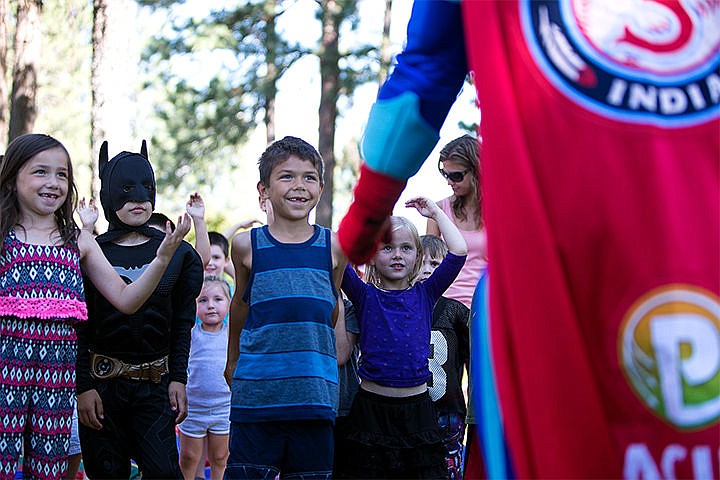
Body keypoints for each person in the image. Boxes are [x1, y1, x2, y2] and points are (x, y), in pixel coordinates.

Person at [337, 2, 719, 478]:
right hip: (582, 257)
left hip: (561, 264)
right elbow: (426, 69)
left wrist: (366, 216)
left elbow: (424, 74)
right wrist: (367, 215)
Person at [0, 133, 190, 479]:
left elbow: (127, 299)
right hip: (4, 379)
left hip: (55, 387)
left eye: (61, 174)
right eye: (40, 172)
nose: (53, 182)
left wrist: (161, 259)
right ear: (13, 179)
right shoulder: (2, 238)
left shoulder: (80, 242)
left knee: (48, 471)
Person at [76, 140, 203, 479]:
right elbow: (78, 326)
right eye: (126, 189)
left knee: (164, 472)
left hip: (156, 387)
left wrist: (178, 378)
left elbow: (182, 322)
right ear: (109, 194)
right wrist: (83, 386)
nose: (138, 197)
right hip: (101, 391)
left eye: (146, 188)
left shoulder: (178, 253)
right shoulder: (89, 252)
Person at [224, 136, 347, 479]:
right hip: (256, 399)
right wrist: (231, 360)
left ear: (321, 188)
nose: (299, 186)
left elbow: (330, 306)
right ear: (263, 190)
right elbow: (240, 307)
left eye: (309, 177)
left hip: (314, 397)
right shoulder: (246, 246)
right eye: (287, 176)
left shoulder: (334, 247)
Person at [336, 197, 467, 479]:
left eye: (406, 248)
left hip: (418, 411)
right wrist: (367, 216)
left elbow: (458, 252)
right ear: (370, 255)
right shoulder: (363, 295)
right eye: (387, 248)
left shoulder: (427, 293)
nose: (397, 254)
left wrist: (435, 212)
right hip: (371, 411)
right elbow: (338, 250)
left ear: (417, 257)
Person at [416, 235, 470, 480]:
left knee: (448, 470)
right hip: (411, 409)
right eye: (421, 262)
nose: (427, 270)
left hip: (448, 411)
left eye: (435, 264)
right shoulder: (400, 306)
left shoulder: (456, 311)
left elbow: (474, 362)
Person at [178, 275, 232, 480]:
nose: (211, 306)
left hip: (223, 407)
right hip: (194, 407)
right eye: (203, 300)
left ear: (229, 302)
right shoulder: (190, 334)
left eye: (218, 299)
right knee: (188, 458)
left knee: (220, 457)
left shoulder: (232, 334)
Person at [426, 135, 486, 309]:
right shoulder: (438, 211)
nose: (449, 181)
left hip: (484, 308)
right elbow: (429, 267)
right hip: (445, 310)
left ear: (476, 171)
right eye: (445, 174)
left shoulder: (498, 213)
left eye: (456, 176)